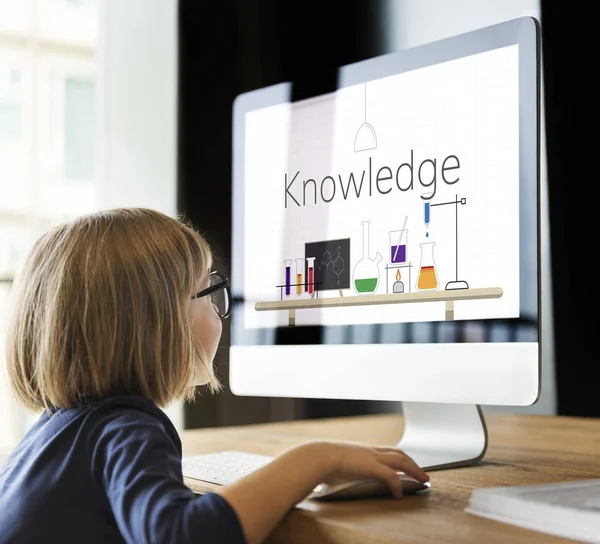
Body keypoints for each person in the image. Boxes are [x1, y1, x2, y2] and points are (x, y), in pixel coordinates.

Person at [0, 208, 429, 544]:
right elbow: (185, 536)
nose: (220, 309)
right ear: (157, 322)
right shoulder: (127, 429)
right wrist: (315, 458)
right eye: (208, 291)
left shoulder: (50, 436)